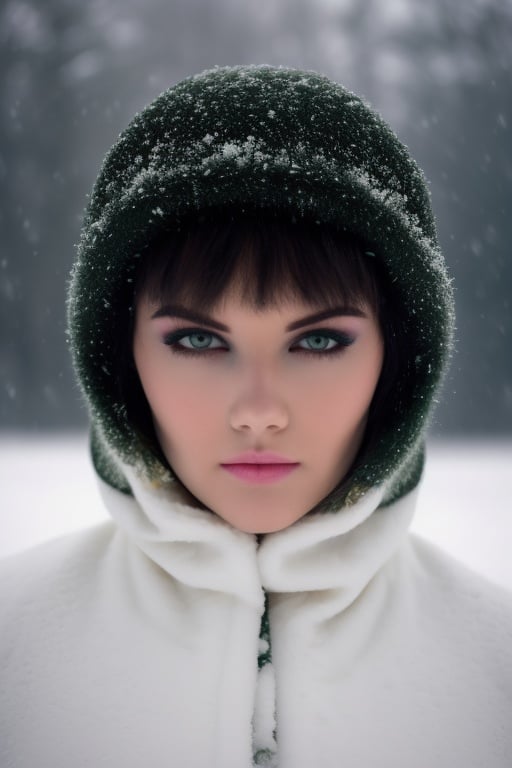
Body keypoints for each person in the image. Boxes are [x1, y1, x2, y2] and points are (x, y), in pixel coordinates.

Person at [1, 64, 511, 768]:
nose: (260, 412)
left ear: (401, 357)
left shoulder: (498, 673)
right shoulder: (11, 649)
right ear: (117, 356)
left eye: (320, 341)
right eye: (198, 340)